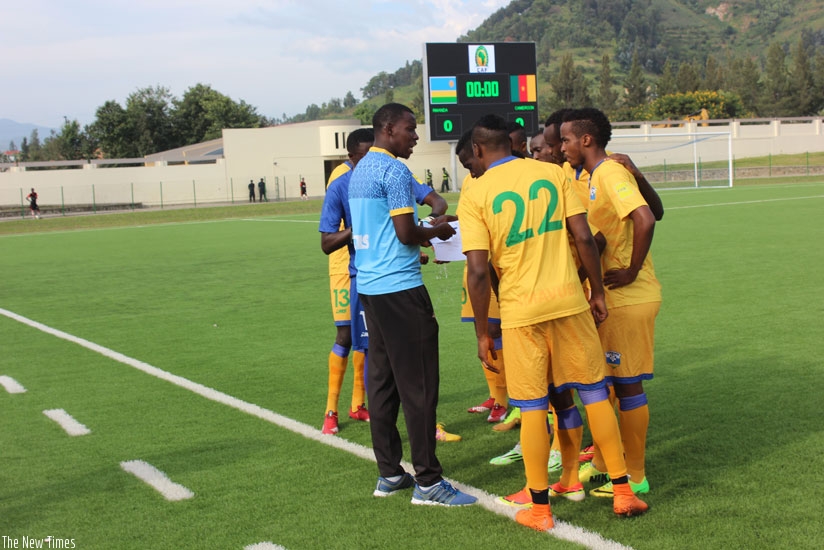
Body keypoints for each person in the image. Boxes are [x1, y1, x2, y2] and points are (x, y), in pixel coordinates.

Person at [458, 114, 648, 531]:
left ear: (477, 150)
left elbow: (477, 268)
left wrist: (481, 332)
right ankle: (623, 491)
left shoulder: (475, 192)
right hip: (568, 302)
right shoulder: (553, 174)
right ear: (513, 142)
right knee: (595, 393)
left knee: (531, 408)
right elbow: (583, 237)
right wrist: (596, 292)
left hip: (521, 313)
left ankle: (541, 509)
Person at [349, 103, 475, 506]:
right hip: (400, 289)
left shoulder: (359, 169)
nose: (416, 136)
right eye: (410, 129)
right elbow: (405, 232)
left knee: (382, 383)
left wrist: (428, 228)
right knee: (419, 386)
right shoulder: (393, 170)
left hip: (370, 287)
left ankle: (389, 473)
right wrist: (438, 229)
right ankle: (428, 482)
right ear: (388, 129)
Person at [560, 108, 662, 499]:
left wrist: (632, 269)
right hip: (613, 296)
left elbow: (646, 219)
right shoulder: (590, 178)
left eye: (567, 139)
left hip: (628, 295)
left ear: (586, 140)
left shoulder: (609, 173)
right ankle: (606, 464)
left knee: (626, 383)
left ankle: (635, 475)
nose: (563, 146)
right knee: (609, 383)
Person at [318, 129, 375, 435]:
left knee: (366, 339)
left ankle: (358, 404)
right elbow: (335, 229)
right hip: (344, 266)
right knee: (345, 335)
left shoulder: (377, 170)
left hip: (370, 265)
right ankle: (331, 410)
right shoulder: (340, 178)